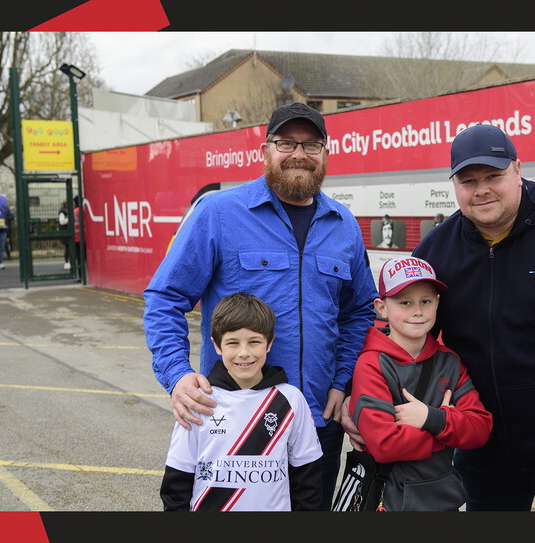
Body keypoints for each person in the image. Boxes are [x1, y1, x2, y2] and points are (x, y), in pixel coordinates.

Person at [344, 123, 535, 511]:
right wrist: (359, 396)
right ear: (454, 184)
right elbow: (401, 329)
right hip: (485, 448)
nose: (481, 190)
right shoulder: (439, 249)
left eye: (494, 176)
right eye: (468, 181)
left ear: (518, 170)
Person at [143, 102, 378, 510]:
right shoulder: (218, 213)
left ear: (325, 153)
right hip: (233, 420)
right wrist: (177, 375)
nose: (299, 154)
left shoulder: (344, 225)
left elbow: (358, 312)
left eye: (311, 144)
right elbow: (166, 297)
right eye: (286, 143)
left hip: (316, 421)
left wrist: (342, 382)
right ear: (265, 150)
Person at [348, 256, 492, 511]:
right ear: (382, 307)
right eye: (405, 302)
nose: (417, 311)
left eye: (426, 301)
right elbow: (384, 445)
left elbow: (480, 429)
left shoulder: (450, 362)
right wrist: (446, 431)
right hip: (389, 501)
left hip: (442, 499)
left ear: (437, 302)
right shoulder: (371, 364)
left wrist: (430, 418)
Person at [160, 292, 323, 511]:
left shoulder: (291, 399)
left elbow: (308, 477)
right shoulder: (199, 401)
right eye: (233, 343)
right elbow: (177, 480)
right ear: (217, 346)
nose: (244, 353)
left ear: (269, 342)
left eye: (254, 342)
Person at [0, 196, 13, 270]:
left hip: (2, 229)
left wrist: (4, 218)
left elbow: (11, 216)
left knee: (1, 247)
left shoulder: (5, 208)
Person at [58, 199, 71, 270]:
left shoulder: (66, 211)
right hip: (64, 232)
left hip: (67, 231)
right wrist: (70, 219)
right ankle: (67, 262)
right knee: (67, 247)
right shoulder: (62, 211)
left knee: (69, 248)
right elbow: (62, 221)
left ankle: (68, 262)